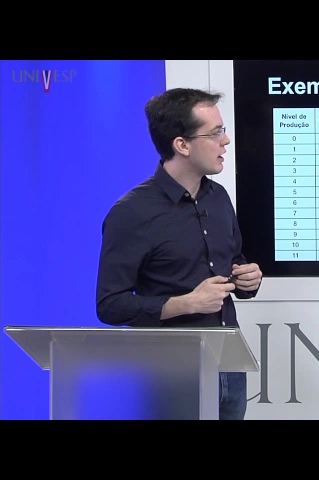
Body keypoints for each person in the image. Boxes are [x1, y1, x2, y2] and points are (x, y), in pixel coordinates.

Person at [95, 87, 262, 420]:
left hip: (229, 366)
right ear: (182, 145)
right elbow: (110, 305)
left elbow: (233, 260)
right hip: (170, 374)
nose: (226, 141)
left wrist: (247, 279)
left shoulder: (219, 198)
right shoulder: (132, 213)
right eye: (215, 133)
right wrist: (185, 303)